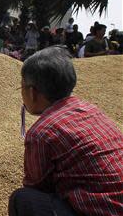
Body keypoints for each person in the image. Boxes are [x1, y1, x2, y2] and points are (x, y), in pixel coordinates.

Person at [10, 46, 123, 216]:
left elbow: (36, 185)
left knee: (23, 198)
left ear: (32, 92)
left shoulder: (42, 132)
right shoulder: (91, 109)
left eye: (22, 88)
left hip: (102, 211)